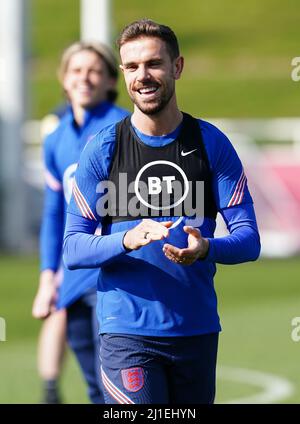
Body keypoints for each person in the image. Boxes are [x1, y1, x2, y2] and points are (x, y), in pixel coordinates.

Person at [63, 19, 261, 404]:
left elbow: (249, 240)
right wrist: (126, 239)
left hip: (197, 330)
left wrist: (206, 248)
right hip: (126, 333)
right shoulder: (103, 149)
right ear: (122, 73)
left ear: (177, 67)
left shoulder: (211, 144)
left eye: (153, 63)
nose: (143, 76)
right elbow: (73, 248)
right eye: (132, 67)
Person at [32, 41, 129, 404]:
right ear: (64, 78)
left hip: (113, 272)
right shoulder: (56, 138)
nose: (83, 78)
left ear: (108, 80)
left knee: (117, 387)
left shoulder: (123, 126)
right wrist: (47, 278)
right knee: (94, 387)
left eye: (93, 70)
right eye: (76, 70)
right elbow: (54, 212)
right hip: (73, 275)